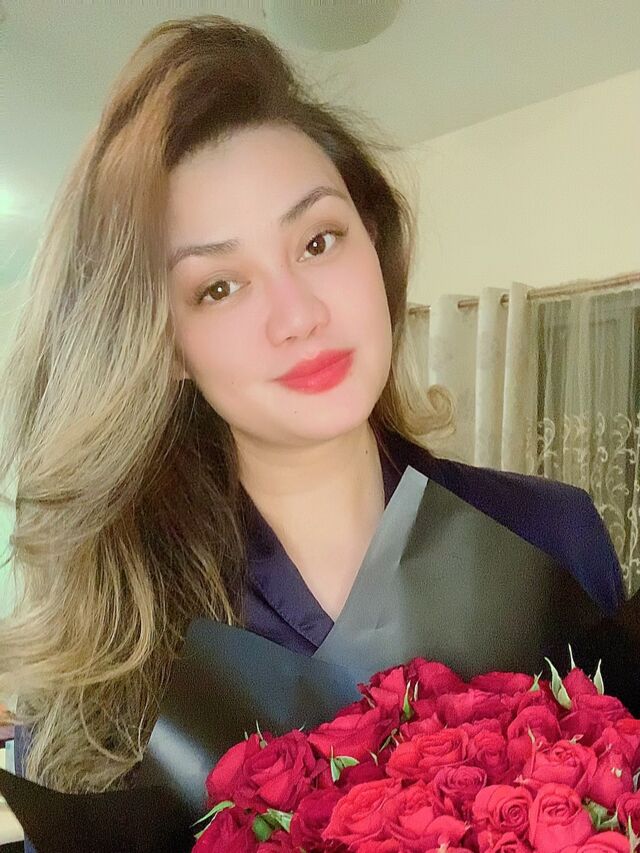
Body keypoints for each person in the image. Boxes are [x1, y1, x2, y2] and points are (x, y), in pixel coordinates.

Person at [0, 14, 625, 829]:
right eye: (218, 287)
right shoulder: (108, 644)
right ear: (167, 345)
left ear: (375, 241)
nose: (297, 315)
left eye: (319, 240)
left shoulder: (552, 534)